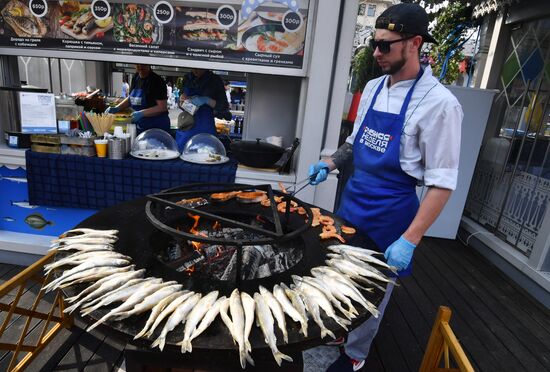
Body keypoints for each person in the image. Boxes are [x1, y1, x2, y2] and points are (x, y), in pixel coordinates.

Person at [309, 4, 463, 371]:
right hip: (353, 202)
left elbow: (442, 184)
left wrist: (410, 240)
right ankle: (337, 330)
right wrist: (331, 161)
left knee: (374, 292)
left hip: (391, 214)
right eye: (374, 45)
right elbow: (357, 140)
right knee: (340, 275)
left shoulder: (441, 106)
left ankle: (356, 354)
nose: (376, 53)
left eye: (385, 46)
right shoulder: (374, 86)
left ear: (414, 43)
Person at [106, 64, 170, 134]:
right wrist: (117, 108)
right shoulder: (135, 77)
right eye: (138, 64)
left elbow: (162, 107)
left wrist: (142, 113)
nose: (140, 66)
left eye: (143, 64)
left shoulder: (157, 81)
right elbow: (131, 98)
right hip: (141, 125)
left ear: (149, 65)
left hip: (157, 126)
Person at [176, 68, 229, 150]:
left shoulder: (215, 80)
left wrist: (206, 100)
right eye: (193, 68)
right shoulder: (187, 78)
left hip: (205, 126)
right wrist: (182, 101)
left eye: (199, 68)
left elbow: (223, 106)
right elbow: (180, 103)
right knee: (183, 153)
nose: (195, 70)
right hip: (187, 125)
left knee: (207, 154)